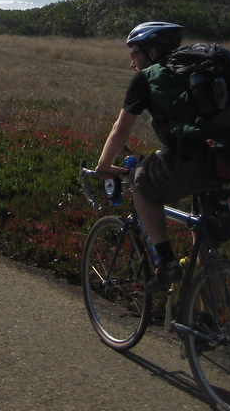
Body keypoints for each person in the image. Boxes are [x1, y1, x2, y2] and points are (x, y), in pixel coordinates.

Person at [94, 21, 221, 294]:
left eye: (134, 55)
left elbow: (121, 129)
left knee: (141, 181)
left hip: (195, 160)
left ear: (151, 51)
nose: (132, 64)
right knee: (203, 238)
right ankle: (207, 315)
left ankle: (166, 263)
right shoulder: (196, 73)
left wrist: (103, 165)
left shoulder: (147, 78)